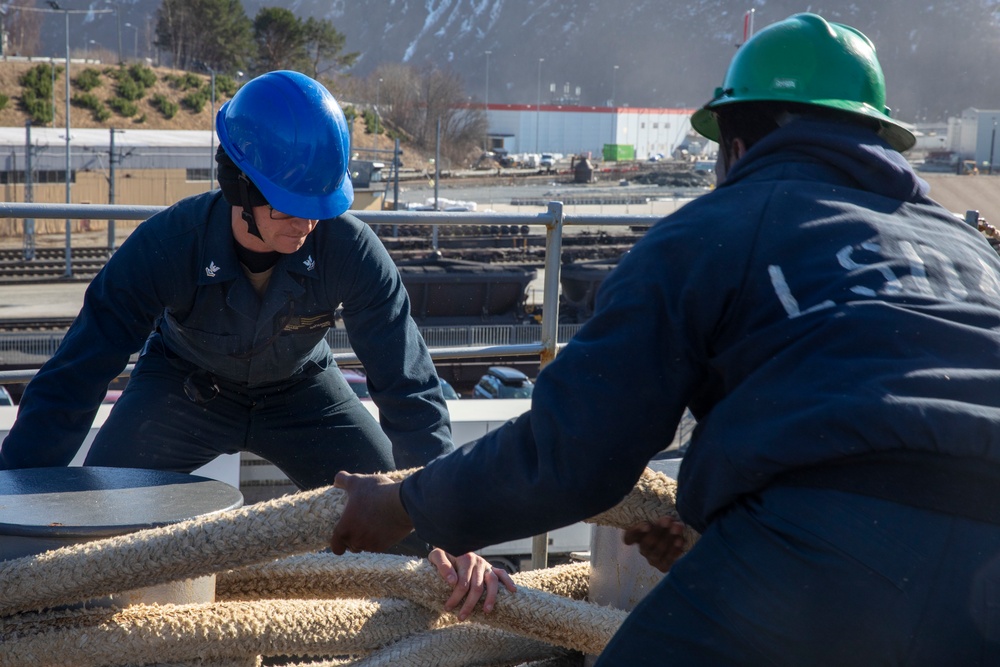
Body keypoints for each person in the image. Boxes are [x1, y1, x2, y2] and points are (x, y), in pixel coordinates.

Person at [329, 14, 1000, 665]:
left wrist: (401, 505)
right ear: (877, 140)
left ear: (735, 147)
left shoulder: (715, 231)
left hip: (824, 550)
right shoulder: (974, 252)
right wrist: (714, 528)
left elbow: (575, 450)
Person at [0, 70, 511, 609]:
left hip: (304, 394)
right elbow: (77, 374)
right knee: (104, 534)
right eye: (290, 207)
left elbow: (409, 389)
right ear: (240, 186)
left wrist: (453, 531)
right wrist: (11, 500)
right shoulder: (168, 245)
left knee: (407, 525)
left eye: (320, 208)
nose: (309, 225)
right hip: (182, 389)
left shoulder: (352, 251)